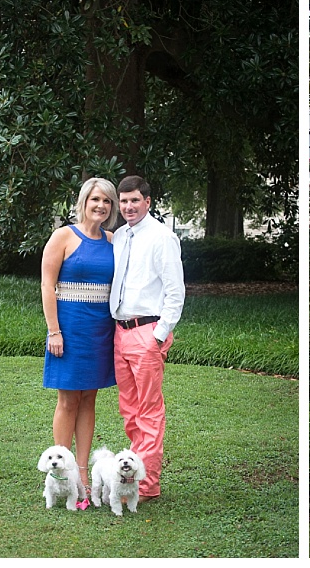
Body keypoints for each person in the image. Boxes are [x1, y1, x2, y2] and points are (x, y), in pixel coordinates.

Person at [41, 177, 120, 505]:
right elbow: (47, 285)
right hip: (69, 329)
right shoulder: (63, 236)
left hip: (101, 329)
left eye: (107, 201)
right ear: (84, 202)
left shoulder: (114, 240)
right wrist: (54, 330)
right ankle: (60, 474)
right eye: (96, 199)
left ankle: (84, 473)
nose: (101, 206)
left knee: (89, 399)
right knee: (68, 400)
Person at [109, 175, 185, 503]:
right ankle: (132, 478)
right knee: (129, 410)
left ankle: (147, 485)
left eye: (134, 201)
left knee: (149, 412)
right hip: (120, 332)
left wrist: (159, 334)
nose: (128, 207)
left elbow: (175, 290)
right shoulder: (120, 237)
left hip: (146, 332)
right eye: (123, 201)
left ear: (147, 202)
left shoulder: (162, 237)